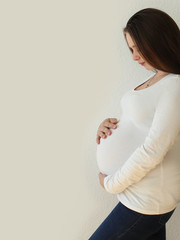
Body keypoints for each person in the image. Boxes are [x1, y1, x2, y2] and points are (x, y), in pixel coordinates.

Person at [89, 8, 180, 240]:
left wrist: (111, 184)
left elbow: (154, 149)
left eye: (139, 48)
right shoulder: (159, 79)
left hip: (146, 200)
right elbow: (141, 124)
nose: (134, 57)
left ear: (159, 41)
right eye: (131, 49)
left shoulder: (176, 86)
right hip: (142, 196)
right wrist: (108, 126)